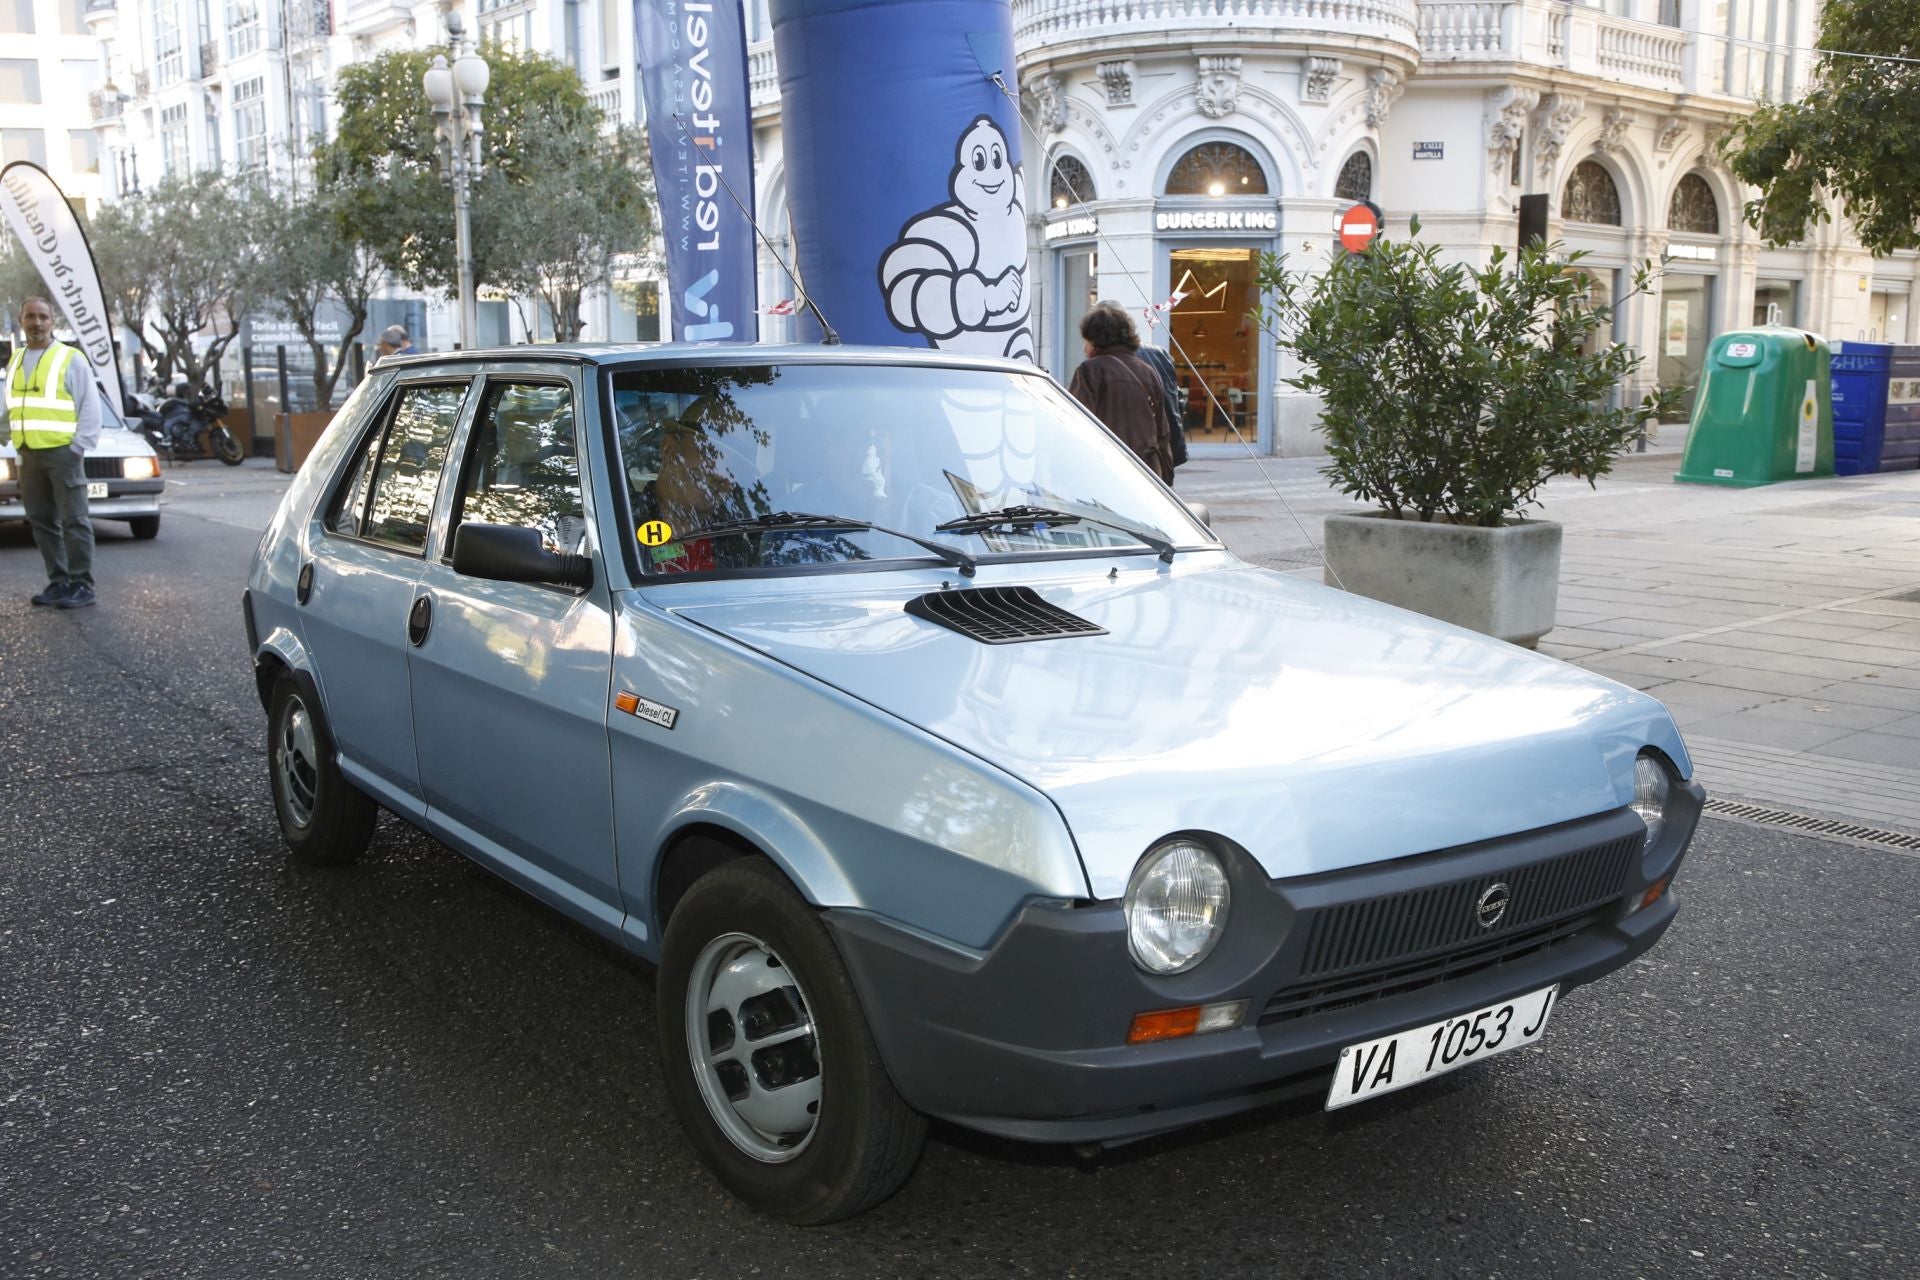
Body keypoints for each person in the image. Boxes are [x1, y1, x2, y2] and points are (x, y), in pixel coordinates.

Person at [1, 297, 102, 608]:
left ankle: (82, 584)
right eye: (30, 316)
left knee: (74, 521)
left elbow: (90, 406)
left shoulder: (70, 358)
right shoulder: (16, 359)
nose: (37, 322)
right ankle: (58, 582)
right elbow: (12, 408)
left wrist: (77, 448)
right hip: (28, 454)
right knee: (41, 520)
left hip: (63, 454)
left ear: (52, 322)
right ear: (21, 321)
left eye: (43, 317)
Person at [1067, 300, 1174, 483]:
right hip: (1147, 473)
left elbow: (1075, 425)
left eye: (1086, 339)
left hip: (1106, 473)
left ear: (1094, 339)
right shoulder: (1147, 371)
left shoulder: (1090, 371)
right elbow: (1162, 432)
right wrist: (1166, 477)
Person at [1135, 340, 1190, 472]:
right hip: (1162, 448)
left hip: (1134, 451)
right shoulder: (1160, 355)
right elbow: (1174, 405)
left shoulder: (1095, 367)